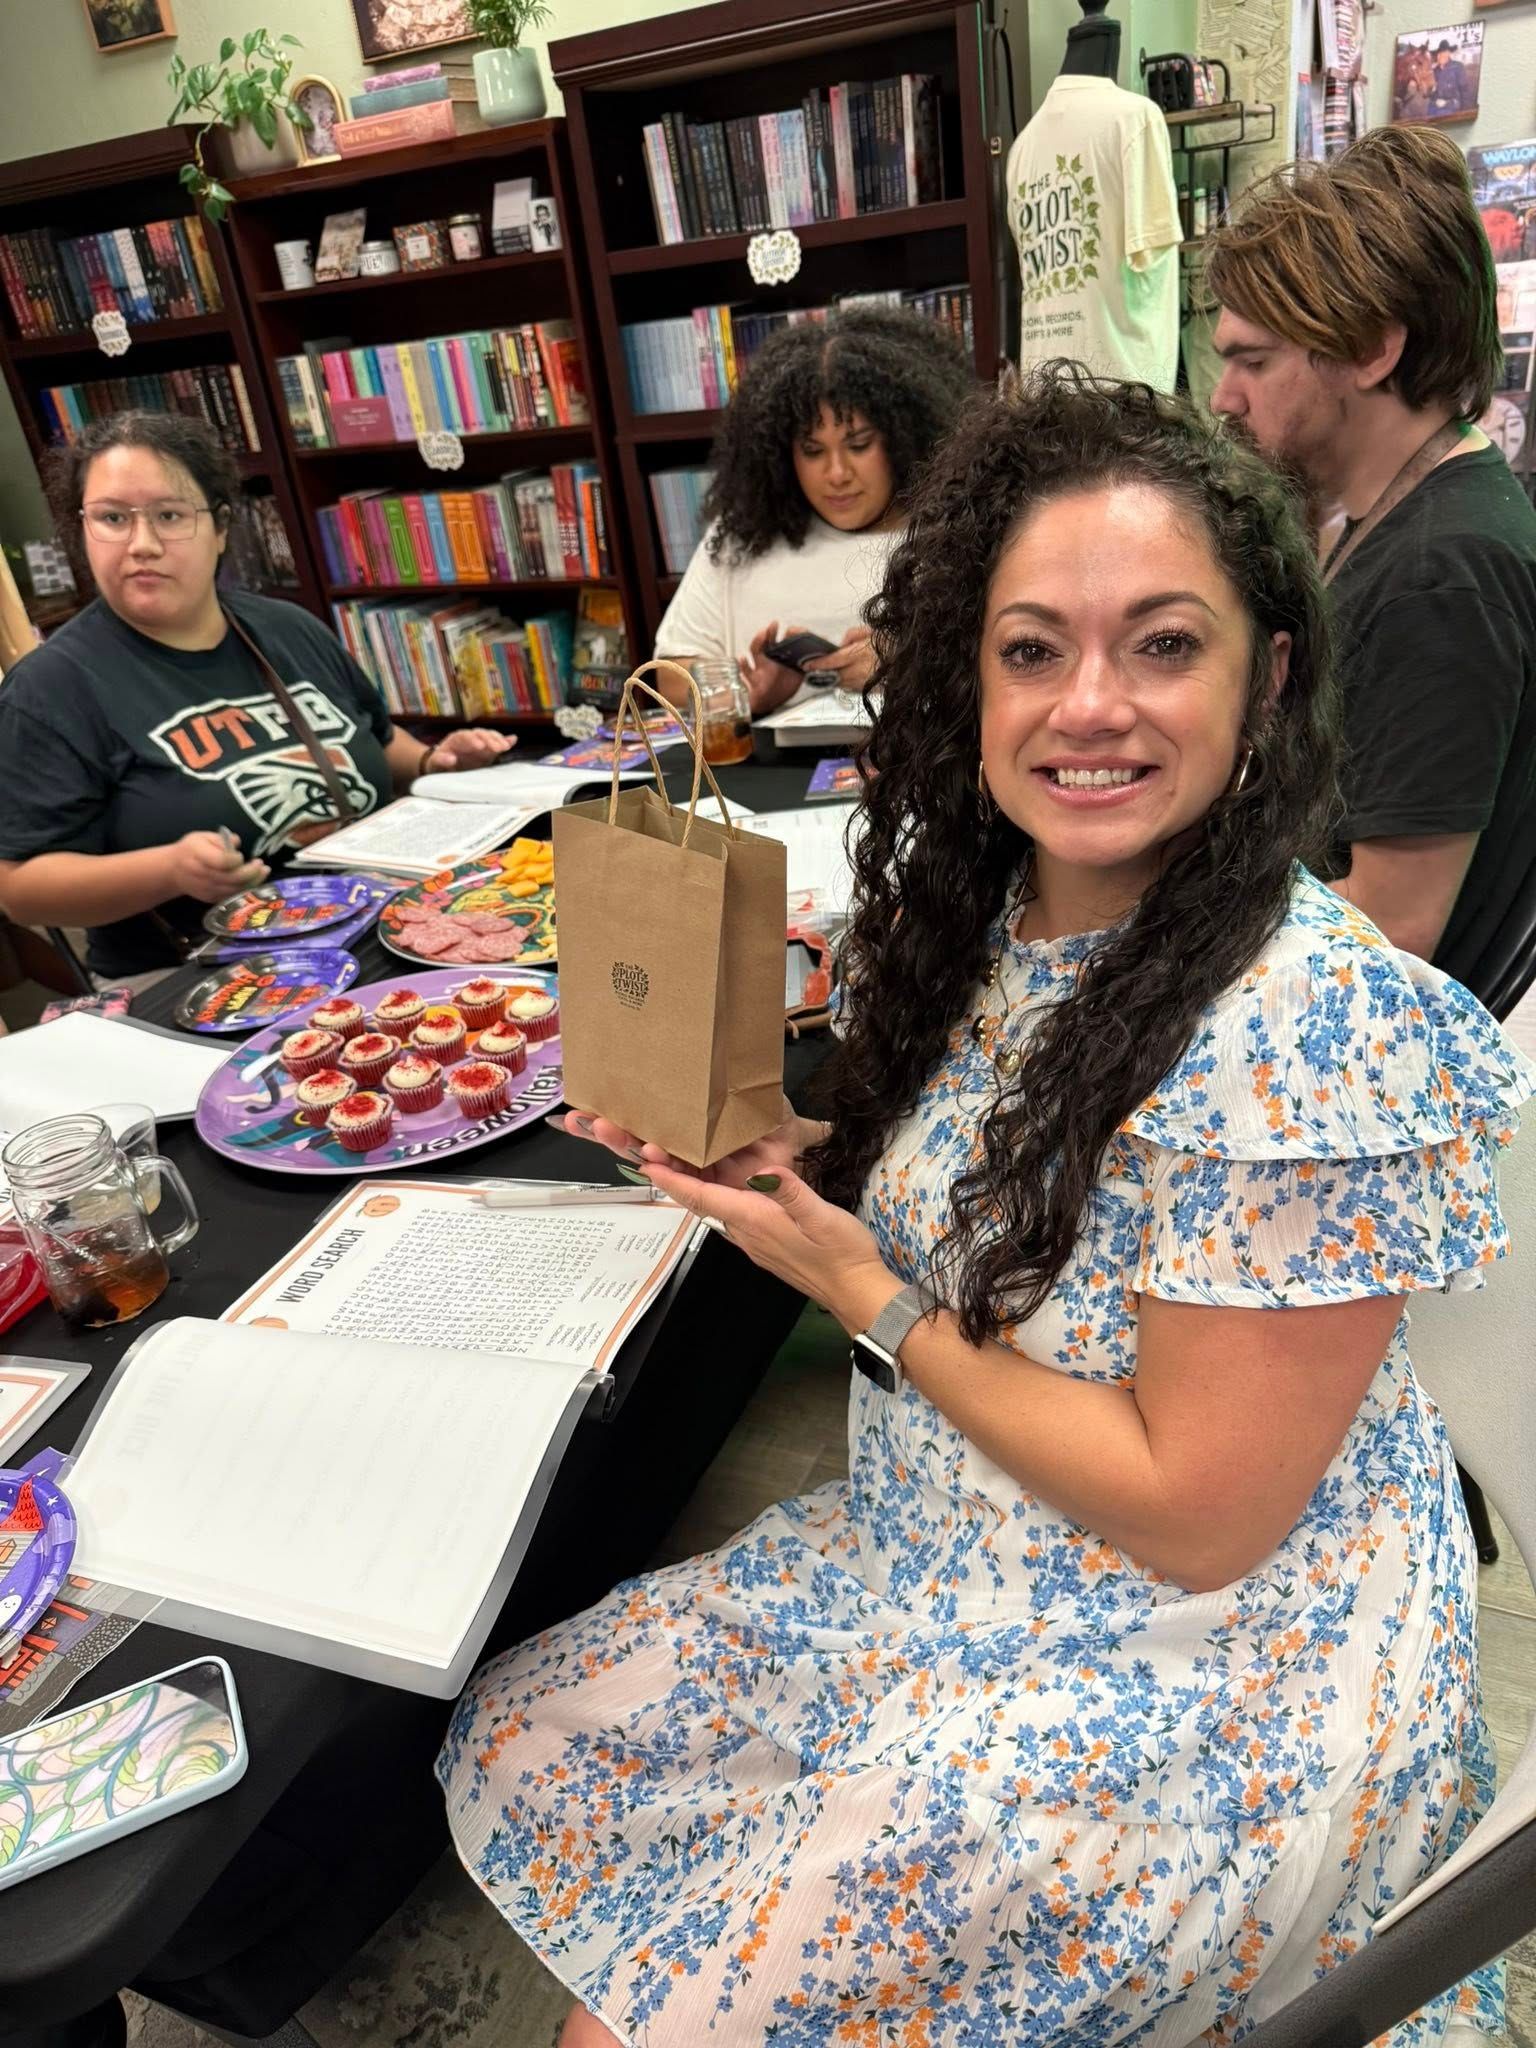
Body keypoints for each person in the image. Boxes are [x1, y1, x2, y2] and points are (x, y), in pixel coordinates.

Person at [438, 369, 1533, 2045]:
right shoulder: (987, 906)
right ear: (967, 674)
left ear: (1271, 676)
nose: (1088, 703)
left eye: (1164, 643)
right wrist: (775, 1150)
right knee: (538, 1736)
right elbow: (983, 1162)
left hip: (1206, 1659)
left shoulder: (1303, 1020)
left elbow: (1198, 1513)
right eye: (1033, 648)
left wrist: (864, 1287)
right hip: (959, 1535)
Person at [0, 411, 512, 981]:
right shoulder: (50, 688)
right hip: (200, 980)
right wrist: (169, 871)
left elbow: (374, 740)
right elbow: (19, 889)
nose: (141, 544)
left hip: (372, 930)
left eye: (169, 516)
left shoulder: (287, 629)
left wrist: (430, 762)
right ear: (82, 528)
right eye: (113, 518)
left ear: (219, 528)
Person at [1205, 126, 1536, 995]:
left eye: (1253, 360)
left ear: (1369, 350)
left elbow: (1390, 932)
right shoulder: (1395, 512)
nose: (1223, 396)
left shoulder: (1441, 574)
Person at [654, 306, 972, 714]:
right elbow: (670, 678)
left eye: (858, 445)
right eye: (812, 451)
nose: (837, 473)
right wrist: (744, 690)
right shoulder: (739, 541)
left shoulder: (953, 536)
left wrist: (911, 664)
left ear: (902, 440)